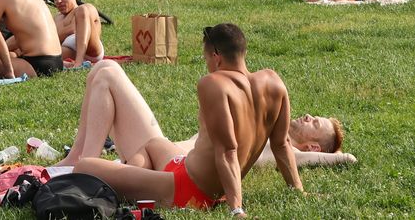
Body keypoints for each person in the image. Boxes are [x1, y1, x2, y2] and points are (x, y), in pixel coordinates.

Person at [69, 24, 315, 214]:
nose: (207, 64)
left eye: (206, 58)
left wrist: (236, 209)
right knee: (153, 144)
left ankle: (132, 177)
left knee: (83, 167)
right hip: (186, 166)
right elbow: (281, 144)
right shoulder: (273, 82)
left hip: (189, 190)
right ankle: (133, 173)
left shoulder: (214, 83)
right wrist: (298, 190)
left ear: (216, 56)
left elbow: (228, 150)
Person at [51, 0, 103, 66]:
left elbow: (74, 30)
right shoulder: (57, 17)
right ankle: (69, 64)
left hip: (90, 51)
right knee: (42, 55)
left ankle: (78, 63)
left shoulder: (87, 8)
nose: (59, 1)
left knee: (81, 10)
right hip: (70, 50)